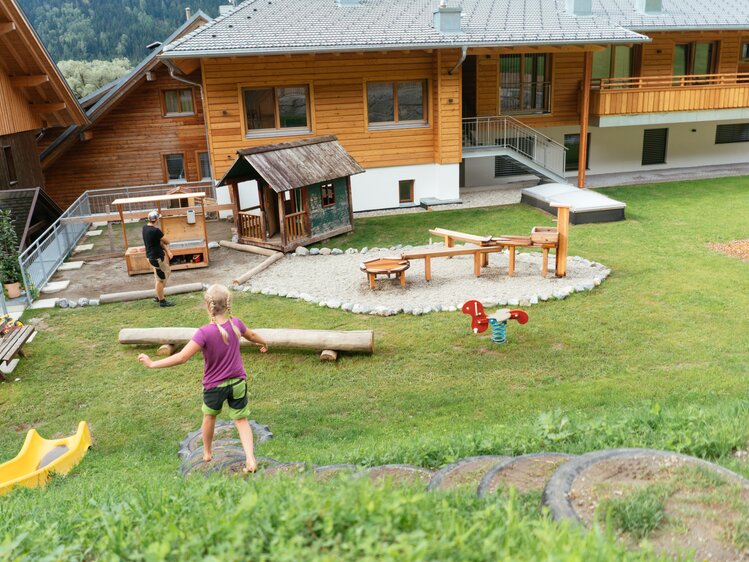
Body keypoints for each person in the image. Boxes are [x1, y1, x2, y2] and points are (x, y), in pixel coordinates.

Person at [138, 284, 268, 473]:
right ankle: (250, 458)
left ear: (209, 306)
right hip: (238, 382)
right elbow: (252, 335)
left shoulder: (204, 332)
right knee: (241, 421)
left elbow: (182, 357)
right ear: (228, 304)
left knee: (209, 418)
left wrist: (152, 364)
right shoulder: (236, 324)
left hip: (214, 387)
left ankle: (207, 452)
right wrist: (264, 342)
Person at [142, 209, 175, 307]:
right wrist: (166, 243)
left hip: (152, 256)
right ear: (156, 219)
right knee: (160, 279)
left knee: (166, 273)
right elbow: (166, 241)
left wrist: (168, 251)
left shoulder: (145, 228)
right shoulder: (156, 231)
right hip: (157, 258)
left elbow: (159, 242)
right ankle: (162, 301)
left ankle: (159, 294)